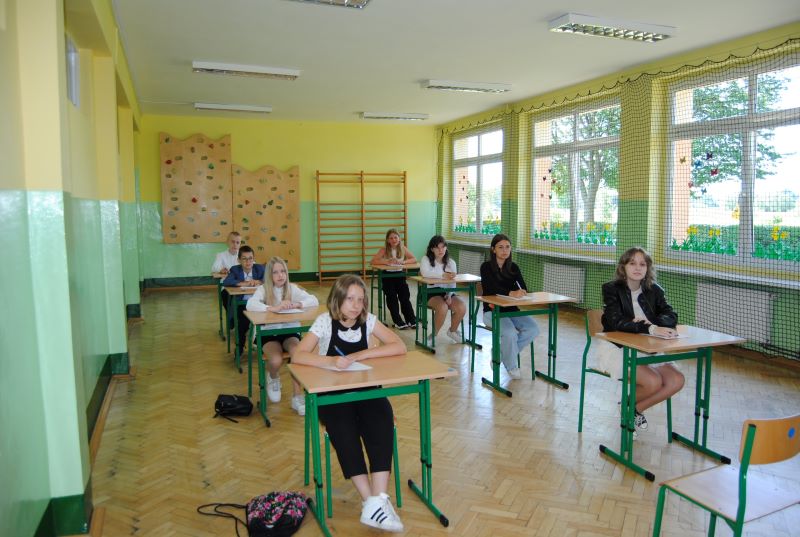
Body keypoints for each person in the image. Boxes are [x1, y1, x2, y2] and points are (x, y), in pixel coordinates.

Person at [292, 274, 406, 532]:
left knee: (382, 417)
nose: (356, 305)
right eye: (350, 299)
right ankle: (370, 501)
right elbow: (298, 355)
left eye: (360, 300)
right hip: (332, 394)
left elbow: (398, 346)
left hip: (365, 389)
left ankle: (379, 499)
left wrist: (360, 355)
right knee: (344, 428)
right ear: (337, 299)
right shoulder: (324, 322)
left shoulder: (368, 321)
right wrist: (331, 362)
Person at [600, 246, 684, 437]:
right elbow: (615, 322)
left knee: (677, 380)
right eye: (632, 263)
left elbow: (671, 315)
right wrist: (650, 328)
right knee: (653, 382)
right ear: (623, 267)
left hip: (649, 346)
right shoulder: (611, 289)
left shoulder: (655, 290)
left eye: (642, 264)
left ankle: (631, 409)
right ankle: (630, 411)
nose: (638, 268)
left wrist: (653, 325)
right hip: (619, 348)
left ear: (648, 268)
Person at [246, 256, 319, 416]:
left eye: (283, 271)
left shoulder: (292, 288)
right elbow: (250, 304)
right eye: (275, 272)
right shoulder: (263, 289)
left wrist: (298, 304)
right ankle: (273, 377)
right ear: (269, 275)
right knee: (276, 360)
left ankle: (297, 397)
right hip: (269, 333)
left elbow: (314, 300)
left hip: (290, 332)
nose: (280, 275)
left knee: (298, 356)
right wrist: (272, 308)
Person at [479, 233, 539, 379]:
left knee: (533, 329)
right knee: (510, 333)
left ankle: (498, 354)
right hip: (492, 312)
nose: (504, 250)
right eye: (500, 247)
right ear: (493, 249)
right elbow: (491, 288)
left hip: (512, 310)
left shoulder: (514, 267)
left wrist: (521, 291)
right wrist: (511, 292)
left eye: (507, 247)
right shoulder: (486, 267)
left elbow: (522, 287)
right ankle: (511, 366)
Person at [419, 235, 467, 344]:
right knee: (442, 307)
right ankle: (434, 335)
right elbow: (425, 273)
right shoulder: (425, 259)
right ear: (432, 249)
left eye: (443, 247)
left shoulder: (451, 262)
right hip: (429, 291)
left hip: (446, 292)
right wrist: (442, 275)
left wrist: (449, 295)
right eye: (437, 247)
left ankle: (452, 331)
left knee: (461, 307)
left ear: (446, 248)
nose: (441, 250)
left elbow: (452, 282)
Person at [370, 228, 417, 330]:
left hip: (399, 275)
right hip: (387, 276)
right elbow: (373, 261)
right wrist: (387, 261)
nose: (393, 240)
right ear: (387, 240)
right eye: (391, 238)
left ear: (399, 238)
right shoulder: (384, 250)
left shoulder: (403, 248)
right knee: (392, 298)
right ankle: (397, 321)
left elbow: (414, 259)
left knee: (404, 297)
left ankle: (411, 319)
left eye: (395, 237)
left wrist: (403, 262)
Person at [223, 245, 265, 356]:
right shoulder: (235, 269)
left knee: (264, 323)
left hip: (259, 304)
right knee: (242, 324)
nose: (248, 262)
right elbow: (227, 282)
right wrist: (245, 283)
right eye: (244, 259)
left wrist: (259, 281)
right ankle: (240, 347)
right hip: (243, 304)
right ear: (239, 260)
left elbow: (268, 278)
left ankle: (261, 344)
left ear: (254, 259)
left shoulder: (259, 268)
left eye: (250, 258)